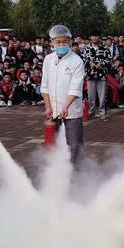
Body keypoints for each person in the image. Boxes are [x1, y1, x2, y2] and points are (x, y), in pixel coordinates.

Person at [41, 25, 85, 165]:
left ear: (70, 42)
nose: (61, 45)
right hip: (53, 111)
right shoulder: (48, 59)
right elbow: (45, 85)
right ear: (52, 42)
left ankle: (78, 175)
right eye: (58, 42)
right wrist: (48, 106)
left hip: (71, 111)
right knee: (55, 146)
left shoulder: (76, 61)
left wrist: (66, 106)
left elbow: (75, 88)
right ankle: (59, 173)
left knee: (74, 145)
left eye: (64, 42)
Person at [82, 33, 112, 121]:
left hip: (102, 75)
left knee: (102, 95)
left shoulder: (105, 48)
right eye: (93, 36)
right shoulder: (86, 48)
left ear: (99, 38)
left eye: (96, 36)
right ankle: (91, 113)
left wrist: (102, 63)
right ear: (90, 37)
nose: (95, 38)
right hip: (90, 75)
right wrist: (89, 63)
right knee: (91, 95)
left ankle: (102, 114)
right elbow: (83, 59)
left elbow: (109, 59)